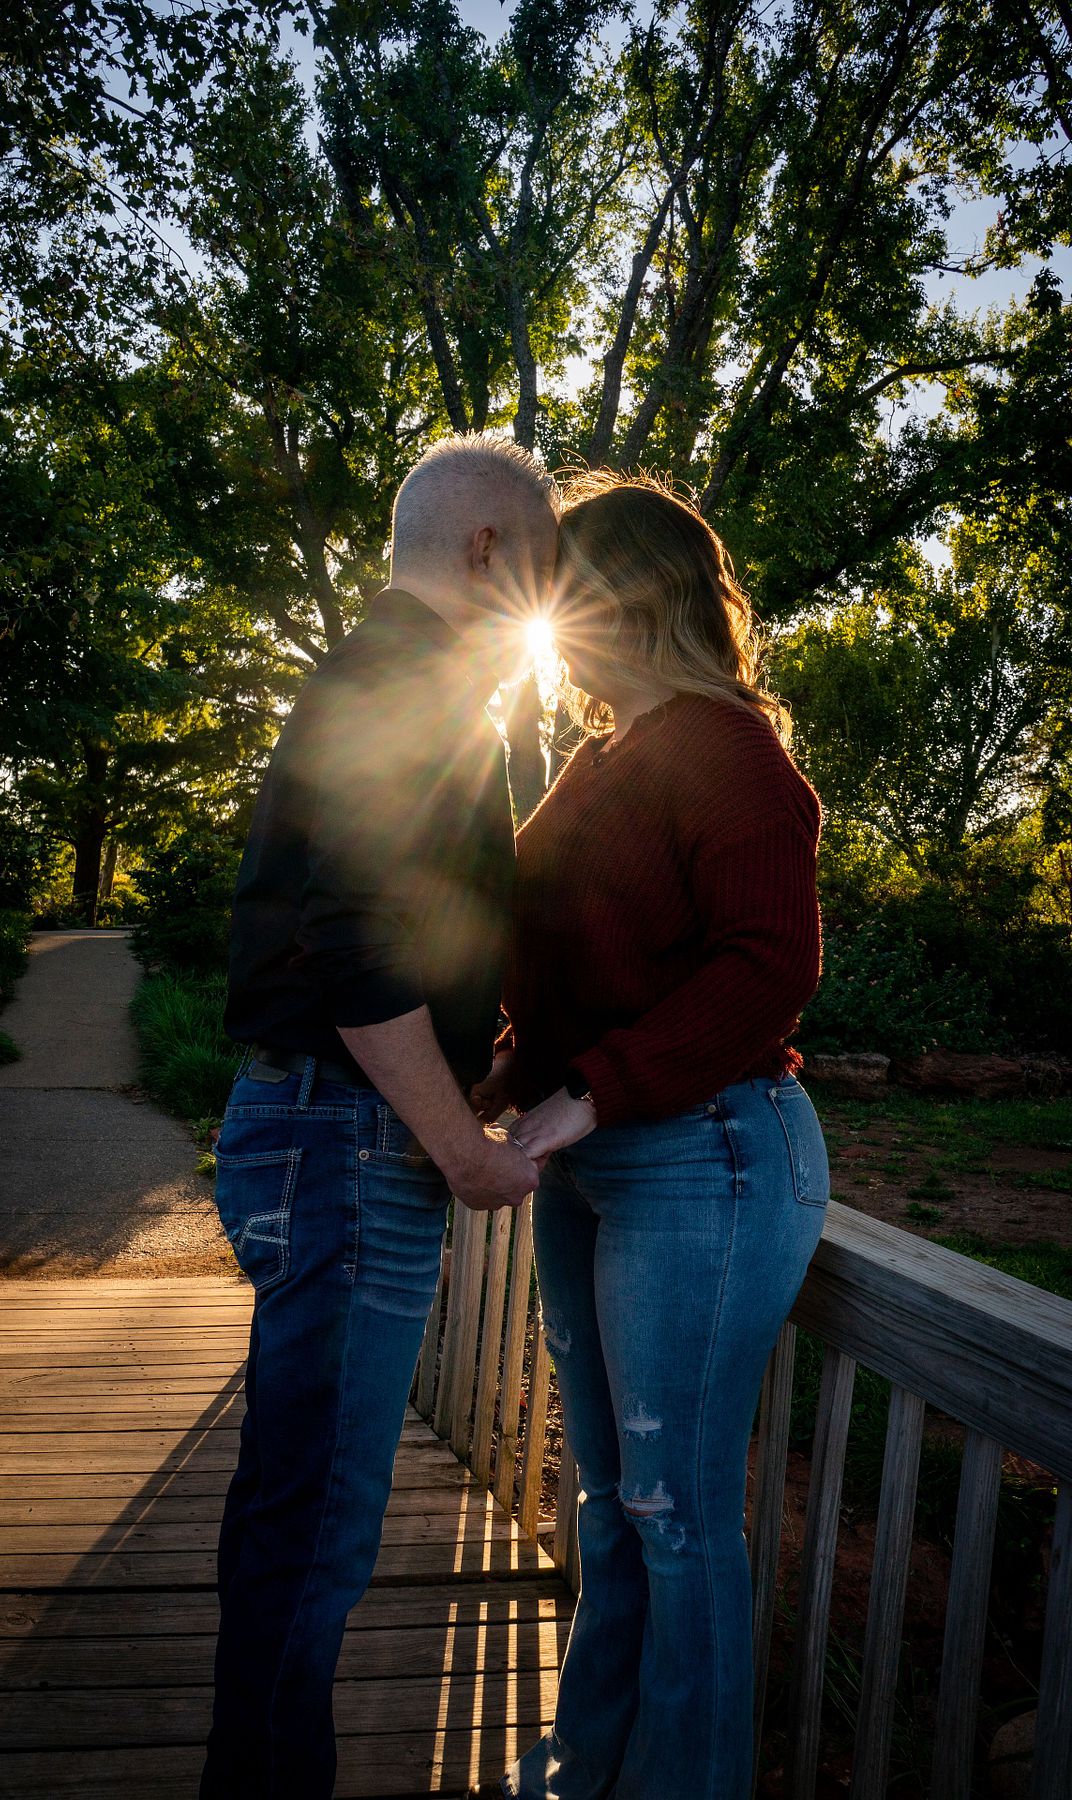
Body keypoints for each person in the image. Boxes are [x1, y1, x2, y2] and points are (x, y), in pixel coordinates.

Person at [201, 433, 558, 1800]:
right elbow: (353, 949)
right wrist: (461, 1147)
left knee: (305, 1512)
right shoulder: (408, 680)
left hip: (326, 1136)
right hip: (348, 1140)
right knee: (317, 1522)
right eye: (541, 563)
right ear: (486, 553)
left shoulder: (380, 676)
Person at [471, 469, 829, 1800]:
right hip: (603, 1158)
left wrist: (592, 1090)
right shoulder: (600, 752)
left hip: (710, 1155)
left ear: (633, 597)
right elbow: (582, 955)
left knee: (674, 1517)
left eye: (567, 581)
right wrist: (516, 1069)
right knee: (614, 1510)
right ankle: (587, 1765)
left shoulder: (732, 751)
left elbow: (765, 969)